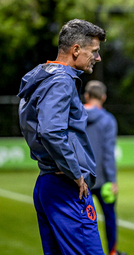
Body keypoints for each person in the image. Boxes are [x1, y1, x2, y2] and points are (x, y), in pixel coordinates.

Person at [18, 19, 106, 254]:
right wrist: (75, 173)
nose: (97, 58)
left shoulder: (41, 76)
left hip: (47, 182)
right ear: (76, 49)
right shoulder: (62, 81)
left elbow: (32, 125)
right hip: (66, 186)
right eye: (94, 51)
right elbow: (50, 131)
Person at [83, 80, 125, 255]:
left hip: (79, 179)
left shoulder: (74, 116)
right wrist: (112, 179)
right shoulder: (108, 120)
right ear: (104, 97)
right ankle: (112, 252)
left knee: (80, 221)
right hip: (102, 179)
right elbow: (108, 153)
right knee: (109, 218)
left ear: (86, 96)